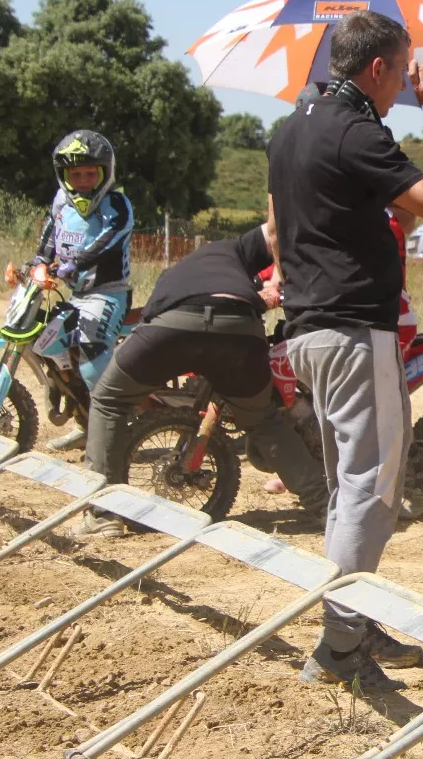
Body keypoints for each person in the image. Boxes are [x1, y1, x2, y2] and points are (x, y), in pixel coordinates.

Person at [267, 10, 423, 691]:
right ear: (377, 67)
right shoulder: (355, 129)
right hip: (355, 330)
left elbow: (308, 221)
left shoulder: (294, 129)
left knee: (346, 490)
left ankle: (352, 615)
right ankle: (341, 645)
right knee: (370, 493)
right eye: (405, 71)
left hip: (309, 330)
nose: (409, 83)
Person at [74, 225, 328, 537]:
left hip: (173, 324)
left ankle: (102, 514)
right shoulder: (236, 252)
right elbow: (277, 233)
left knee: (109, 399)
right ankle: (327, 507)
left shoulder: (183, 269)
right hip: (237, 329)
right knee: (263, 421)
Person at [32, 131, 134, 449]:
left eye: (91, 173)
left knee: (92, 363)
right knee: (44, 343)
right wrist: (36, 263)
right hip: (76, 295)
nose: (84, 180)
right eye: (76, 174)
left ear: (104, 172)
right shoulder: (62, 202)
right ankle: (85, 417)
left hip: (107, 293)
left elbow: (108, 240)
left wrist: (75, 263)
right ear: (65, 176)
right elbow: (50, 236)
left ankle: (113, 436)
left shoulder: (115, 203)